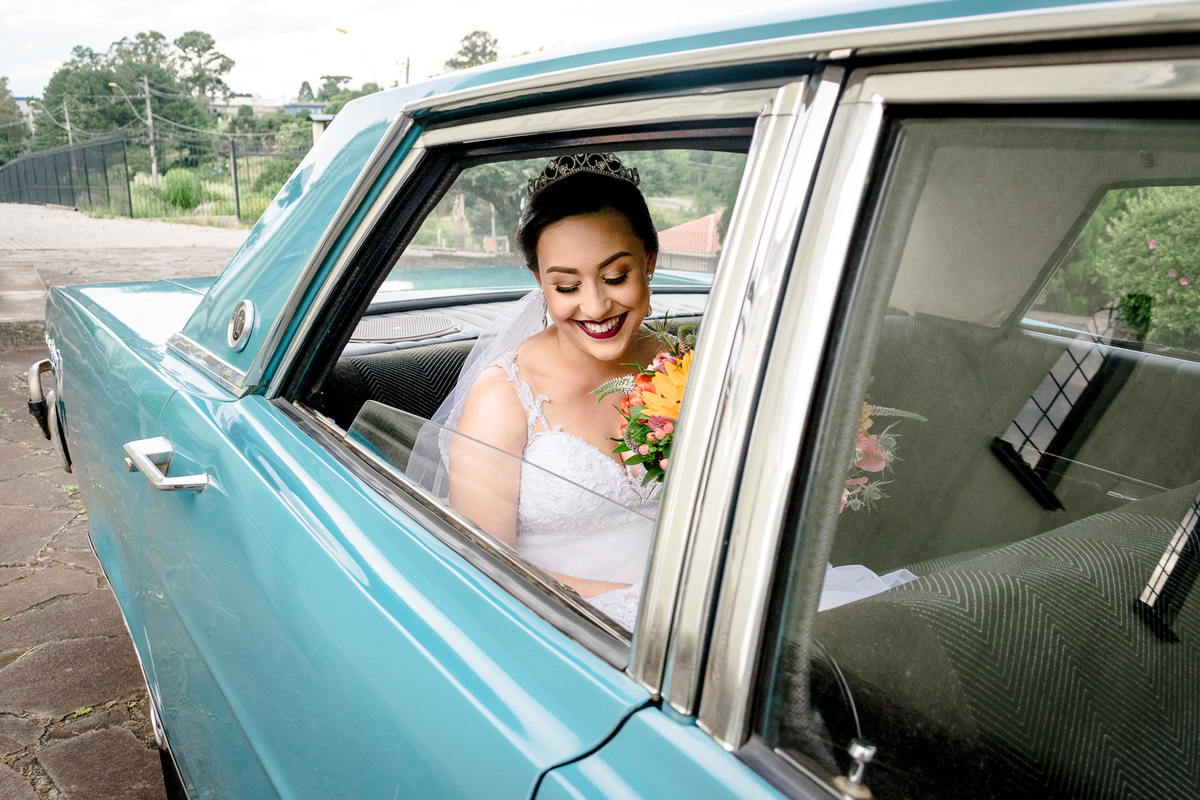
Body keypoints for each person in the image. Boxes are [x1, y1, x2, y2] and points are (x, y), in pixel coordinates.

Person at [431, 153, 663, 627]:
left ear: (650, 262)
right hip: (566, 625)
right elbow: (485, 566)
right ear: (540, 281)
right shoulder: (503, 395)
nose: (596, 306)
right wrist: (650, 606)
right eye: (566, 286)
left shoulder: (681, 366)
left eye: (616, 277)